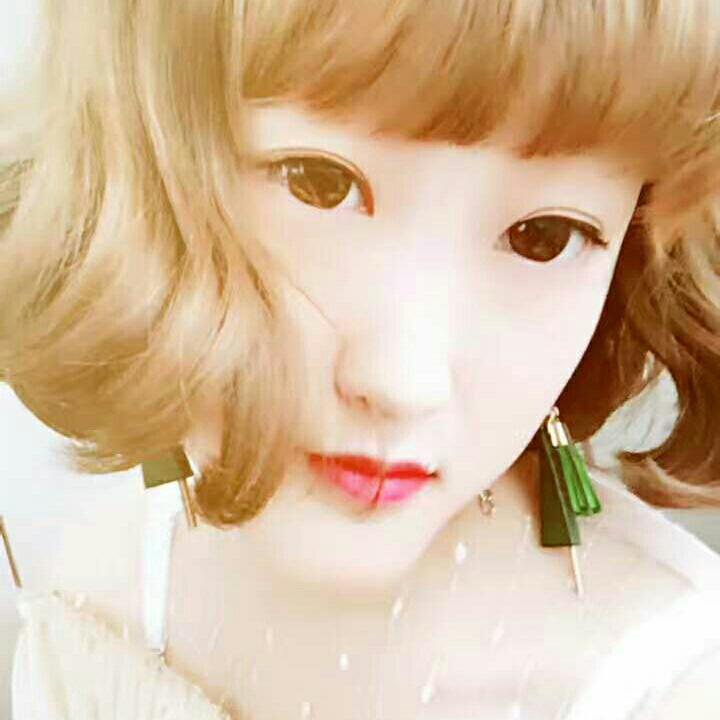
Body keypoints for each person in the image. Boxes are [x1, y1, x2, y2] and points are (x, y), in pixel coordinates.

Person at [3, 0, 720, 717]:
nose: (404, 381)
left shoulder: (678, 684)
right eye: (319, 184)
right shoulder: (102, 562)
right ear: (145, 150)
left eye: (545, 237)